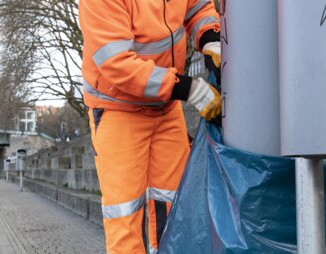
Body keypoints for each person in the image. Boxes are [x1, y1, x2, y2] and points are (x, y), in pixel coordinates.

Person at [79, 0, 221, 253]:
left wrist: (210, 36)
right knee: (125, 216)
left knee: (175, 204)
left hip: (165, 107)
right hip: (118, 110)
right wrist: (189, 89)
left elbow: (197, 7)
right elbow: (118, 64)